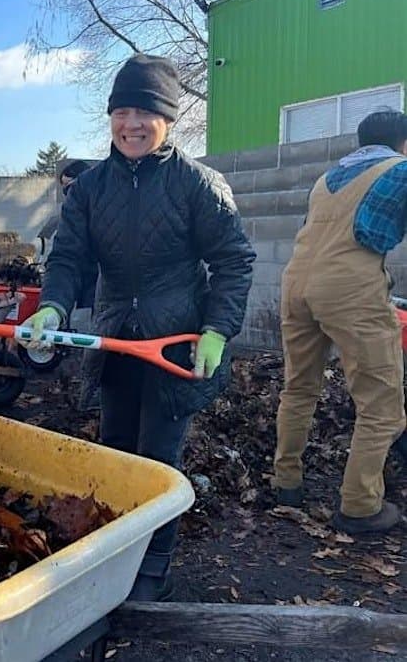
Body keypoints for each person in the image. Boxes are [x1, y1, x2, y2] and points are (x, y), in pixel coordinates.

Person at [22, 54, 255, 601]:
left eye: (144, 112)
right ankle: (111, 560)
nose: (131, 124)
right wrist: (53, 307)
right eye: (121, 111)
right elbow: (69, 259)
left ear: (168, 119)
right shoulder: (89, 188)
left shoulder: (198, 184)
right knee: (115, 451)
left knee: (158, 460)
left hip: (176, 345)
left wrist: (218, 329)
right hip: (115, 340)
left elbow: (234, 260)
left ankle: (152, 570)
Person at [274, 110, 407, 533]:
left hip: (296, 283)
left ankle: (286, 482)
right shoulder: (400, 169)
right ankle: (361, 507)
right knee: (381, 405)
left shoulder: (329, 178)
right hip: (349, 288)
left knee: (299, 387)